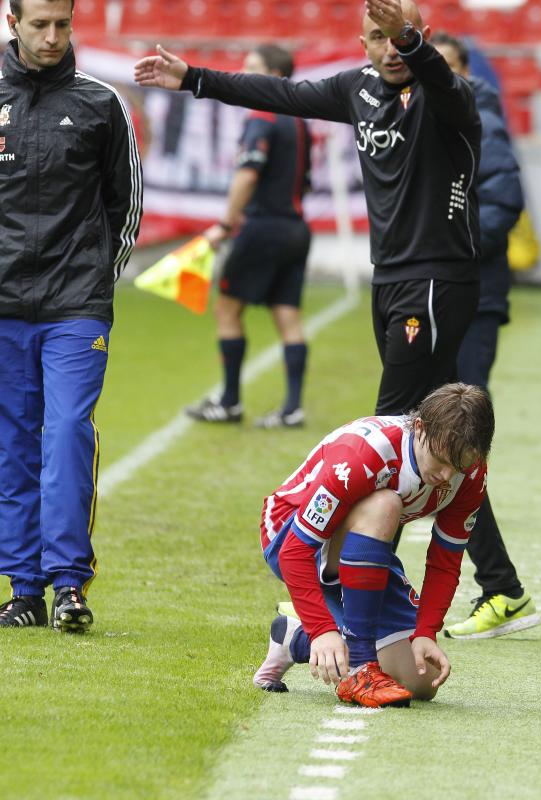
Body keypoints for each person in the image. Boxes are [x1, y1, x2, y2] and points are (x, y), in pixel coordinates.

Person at [134, 0, 483, 419]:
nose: (390, 49)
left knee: (393, 424)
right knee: (438, 423)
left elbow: (442, 81)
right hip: (390, 274)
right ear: (362, 44)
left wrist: (405, 37)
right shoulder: (359, 88)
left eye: (400, 37)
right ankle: (468, 488)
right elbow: (280, 93)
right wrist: (195, 78)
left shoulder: (449, 95)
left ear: (422, 38)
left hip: (434, 277)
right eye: (378, 37)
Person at [0, 0, 142, 630]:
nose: (53, 37)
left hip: (76, 308)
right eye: (40, 25)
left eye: (63, 24)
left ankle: (67, 586)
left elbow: (127, 204)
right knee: (11, 446)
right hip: (4, 308)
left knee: (65, 435)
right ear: (13, 24)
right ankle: (23, 589)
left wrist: (94, 286)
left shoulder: (100, 103)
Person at [253, 383, 493, 707]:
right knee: (386, 504)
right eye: (440, 459)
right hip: (291, 533)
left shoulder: (472, 474)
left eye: (460, 465)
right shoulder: (365, 455)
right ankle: (360, 665)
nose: (448, 476)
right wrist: (323, 629)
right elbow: (294, 551)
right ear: (419, 427)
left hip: (360, 544)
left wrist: (425, 632)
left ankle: (294, 638)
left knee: (422, 680)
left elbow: (445, 561)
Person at [430, 33, 541, 640]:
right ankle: (499, 587)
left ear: (466, 72)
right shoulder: (433, 121)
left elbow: (503, 203)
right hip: (442, 295)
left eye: (444, 67)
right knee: (436, 436)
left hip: (473, 297)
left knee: (454, 438)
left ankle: (502, 589)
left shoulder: (481, 117)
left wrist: (452, 249)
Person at [185, 45, 312, 429]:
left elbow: (248, 173)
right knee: (288, 316)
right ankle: (292, 408)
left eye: (252, 69)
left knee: (227, 308)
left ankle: (229, 401)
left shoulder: (263, 116)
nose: (243, 75)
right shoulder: (300, 120)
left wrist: (225, 224)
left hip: (264, 227)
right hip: (296, 228)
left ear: (275, 75)